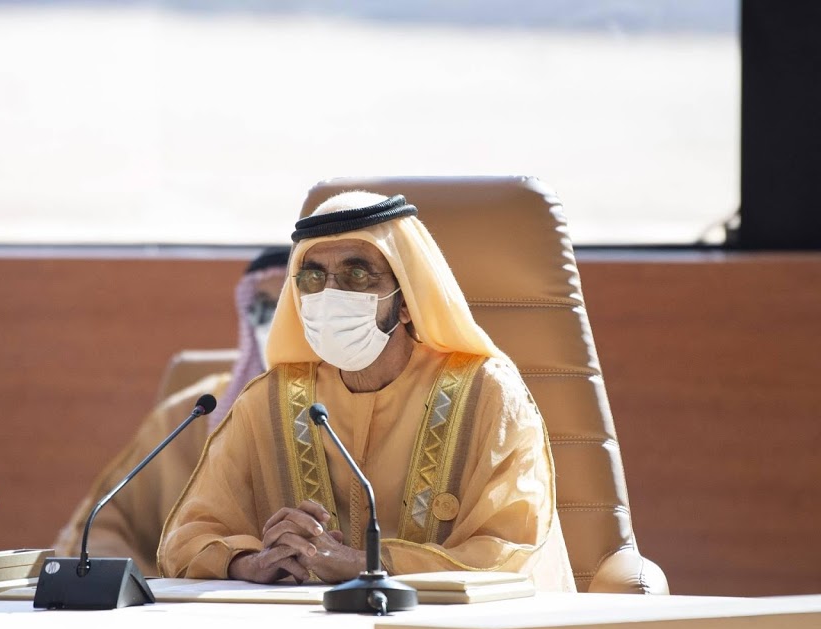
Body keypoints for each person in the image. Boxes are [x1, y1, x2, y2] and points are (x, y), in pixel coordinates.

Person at [158, 192, 576, 591]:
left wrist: (369, 565)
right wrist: (250, 562)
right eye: (313, 277)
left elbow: (510, 553)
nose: (330, 295)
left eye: (357, 275)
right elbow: (186, 540)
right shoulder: (268, 402)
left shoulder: (487, 394)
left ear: (407, 301)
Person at [53, 246, 290, 576]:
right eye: (263, 307)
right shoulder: (192, 413)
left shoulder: (348, 409)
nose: (272, 321)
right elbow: (106, 527)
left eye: (284, 305)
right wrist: (151, 590)